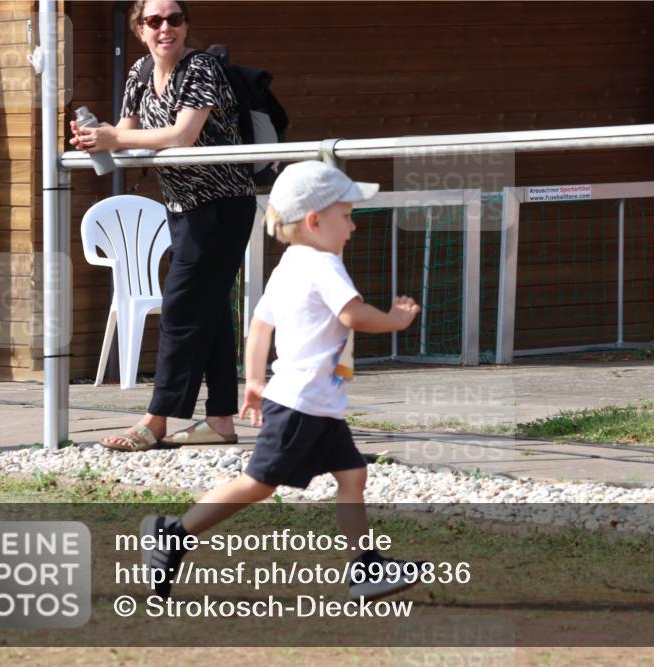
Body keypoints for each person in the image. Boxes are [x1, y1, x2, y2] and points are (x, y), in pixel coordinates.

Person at [140, 160, 423, 602]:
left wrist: (253, 381)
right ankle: (173, 534)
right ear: (314, 221)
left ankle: (365, 569)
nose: (352, 227)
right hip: (302, 404)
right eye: (346, 216)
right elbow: (352, 314)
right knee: (257, 484)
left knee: (352, 475)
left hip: (314, 403)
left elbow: (259, 326)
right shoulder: (324, 265)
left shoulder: (290, 262)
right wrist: (395, 320)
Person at [70, 0, 255, 450]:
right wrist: (100, 139)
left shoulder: (201, 67)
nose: (165, 28)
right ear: (140, 29)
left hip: (223, 206)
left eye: (174, 19)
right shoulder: (137, 73)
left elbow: (180, 134)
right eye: (154, 21)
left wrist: (115, 135)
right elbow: (130, 133)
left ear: (186, 25)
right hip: (182, 206)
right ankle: (220, 423)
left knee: (180, 310)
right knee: (208, 310)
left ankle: (156, 421)